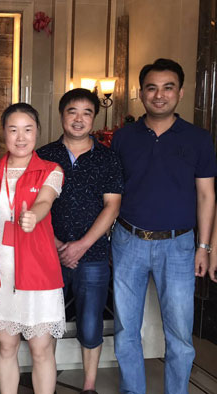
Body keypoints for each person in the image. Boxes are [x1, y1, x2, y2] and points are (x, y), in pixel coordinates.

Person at [111, 58, 216, 394]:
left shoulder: (199, 139)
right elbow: (112, 193)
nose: (159, 95)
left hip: (179, 245)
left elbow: (207, 195)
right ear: (141, 93)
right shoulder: (123, 137)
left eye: (168, 88)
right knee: (126, 329)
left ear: (180, 93)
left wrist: (204, 247)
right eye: (152, 88)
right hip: (128, 240)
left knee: (180, 333)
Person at [0, 103, 65, 394]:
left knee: (41, 348)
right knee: (5, 344)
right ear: (4, 133)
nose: (21, 137)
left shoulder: (50, 170)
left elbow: (45, 201)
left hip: (38, 271)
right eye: (13, 130)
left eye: (28, 130)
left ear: (38, 132)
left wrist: (33, 216)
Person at [37, 89, 123, 394]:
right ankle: (45, 384)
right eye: (72, 111)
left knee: (90, 323)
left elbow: (112, 206)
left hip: (93, 254)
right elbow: (32, 205)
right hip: (48, 253)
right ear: (61, 115)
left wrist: (81, 245)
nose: (79, 118)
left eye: (87, 112)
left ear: (94, 118)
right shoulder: (44, 155)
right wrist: (56, 243)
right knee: (46, 324)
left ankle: (89, 386)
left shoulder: (107, 158)